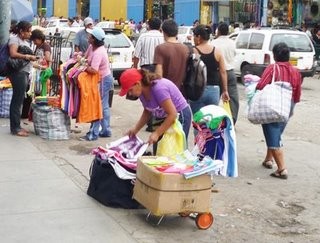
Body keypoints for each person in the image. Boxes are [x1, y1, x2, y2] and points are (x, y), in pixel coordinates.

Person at [118, 68, 192, 154]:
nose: (130, 94)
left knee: (176, 152)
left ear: (138, 84)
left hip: (180, 115)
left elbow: (173, 114)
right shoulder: (142, 93)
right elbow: (148, 111)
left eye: (130, 90)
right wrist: (135, 129)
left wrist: (157, 133)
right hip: (165, 117)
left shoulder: (158, 89)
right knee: (158, 151)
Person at [256, 42, 302, 179]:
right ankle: (268, 159)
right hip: (289, 105)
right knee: (276, 132)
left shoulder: (272, 68)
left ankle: (282, 169)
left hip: (273, 105)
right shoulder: (295, 71)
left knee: (273, 134)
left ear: (274, 56)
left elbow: (261, 85)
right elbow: (298, 93)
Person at [80, 27, 113, 141]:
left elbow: (93, 69)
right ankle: (105, 130)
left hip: (103, 79)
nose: (88, 37)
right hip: (100, 79)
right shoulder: (91, 47)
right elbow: (85, 58)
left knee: (98, 106)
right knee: (103, 106)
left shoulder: (99, 51)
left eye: (90, 36)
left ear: (94, 39)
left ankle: (94, 133)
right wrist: (81, 59)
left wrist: (83, 67)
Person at [189, 24, 229, 115]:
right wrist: (225, 90)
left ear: (198, 37)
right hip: (214, 91)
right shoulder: (217, 51)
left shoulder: (194, 51)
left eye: (194, 36)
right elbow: (223, 72)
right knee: (211, 121)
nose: (193, 39)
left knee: (199, 121)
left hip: (197, 91)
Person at [133, 17, 164, 132]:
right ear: (160, 26)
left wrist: (135, 68)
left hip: (146, 68)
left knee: (147, 95)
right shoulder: (162, 37)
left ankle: (150, 122)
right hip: (159, 68)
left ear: (148, 26)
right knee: (159, 93)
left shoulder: (143, 36)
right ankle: (158, 120)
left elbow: (136, 55)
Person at [8, 21, 38, 137]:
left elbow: (26, 61)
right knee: (17, 100)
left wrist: (36, 63)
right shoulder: (15, 40)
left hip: (24, 72)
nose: (30, 34)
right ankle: (15, 128)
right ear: (21, 31)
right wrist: (27, 56)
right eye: (28, 31)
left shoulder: (25, 41)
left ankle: (17, 126)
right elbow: (13, 53)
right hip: (18, 73)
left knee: (20, 100)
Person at [213, 22, 239, 124]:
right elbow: (234, 54)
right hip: (230, 72)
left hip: (218, 73)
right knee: (233, 98)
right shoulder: (232, 43)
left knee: (216, 97)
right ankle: (232, 119)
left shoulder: (214, 43)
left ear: (218, 31)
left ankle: (214, 119)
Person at [154, 19, 189, 91]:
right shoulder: (186, 48)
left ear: (163, 32)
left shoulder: (160, 48)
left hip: (166, 90)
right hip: (181, 91)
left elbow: (158, 75)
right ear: (176, 32)